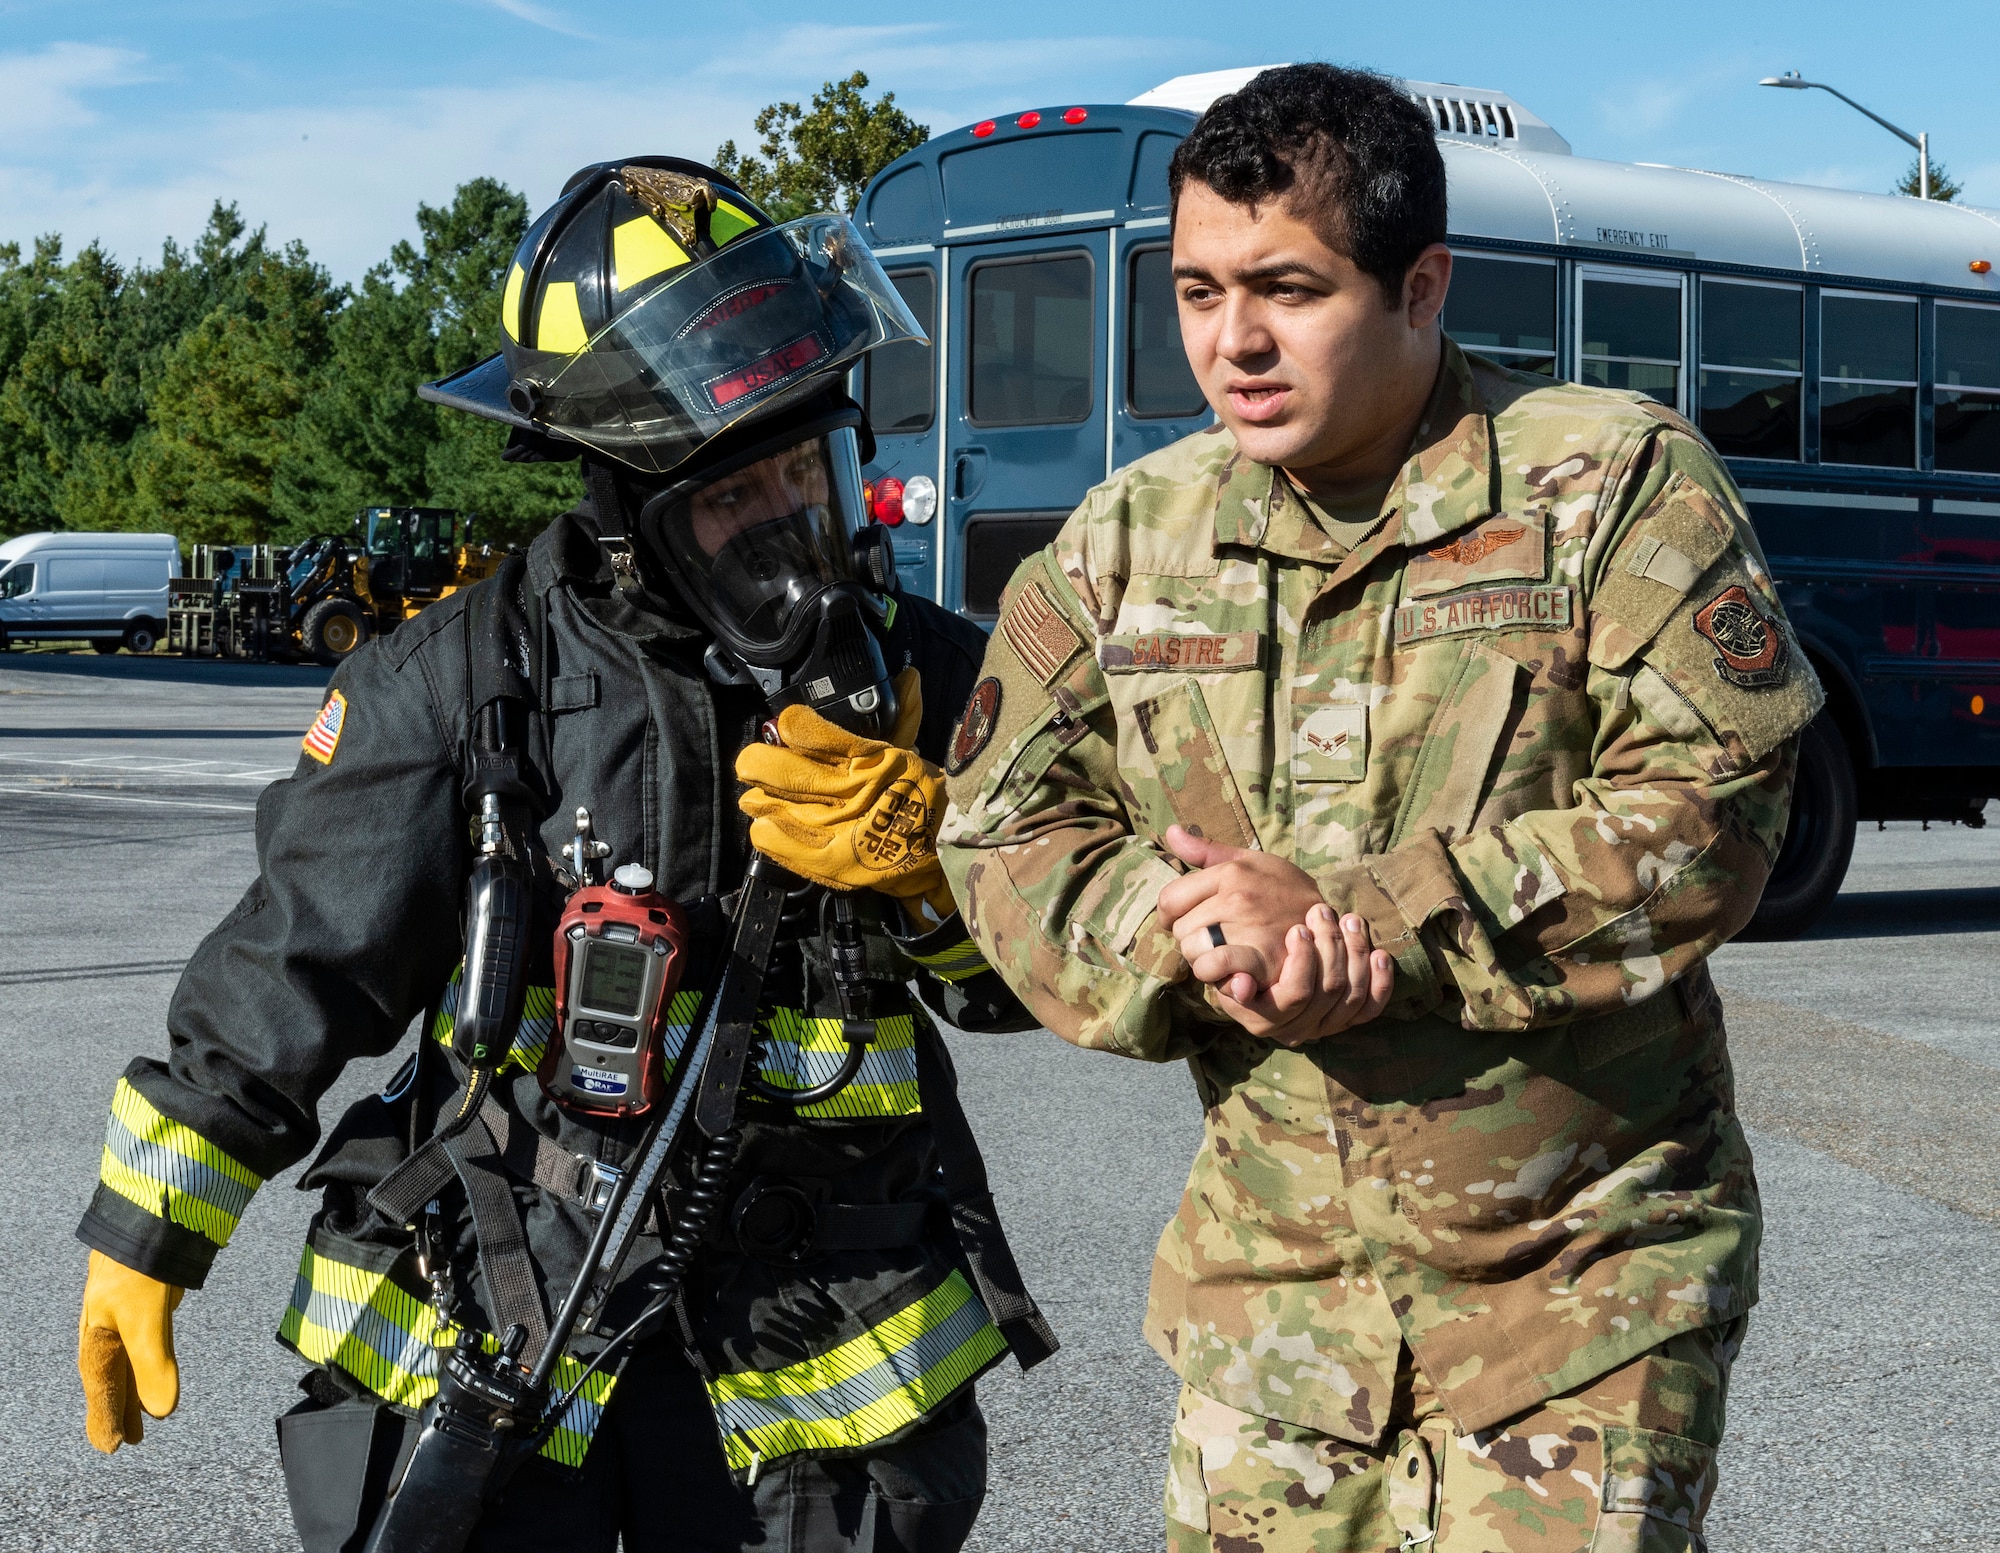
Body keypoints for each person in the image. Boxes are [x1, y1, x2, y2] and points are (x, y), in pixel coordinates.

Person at [75, 156, 1053, 1553]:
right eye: (735, 499)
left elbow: (1036, 979)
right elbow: (296, 958)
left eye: (810, 468)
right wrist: (147, 1234)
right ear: (621, 503)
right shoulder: (462, 684)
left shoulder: (924, 678)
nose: (793, 530)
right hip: (508, 1347)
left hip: (821, 1376)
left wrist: (935, 869)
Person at [939, 65, 1821, 1552]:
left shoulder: (1607, 485)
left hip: (1577, 1300)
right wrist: (1184, 933)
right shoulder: (1128, 545)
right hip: (1272, 1320)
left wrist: (1375, 919)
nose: (1234, 342)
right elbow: (1002, 823)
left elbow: (1716, 807)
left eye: (1288, 288)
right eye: (1199, 289)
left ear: (1422, 285)